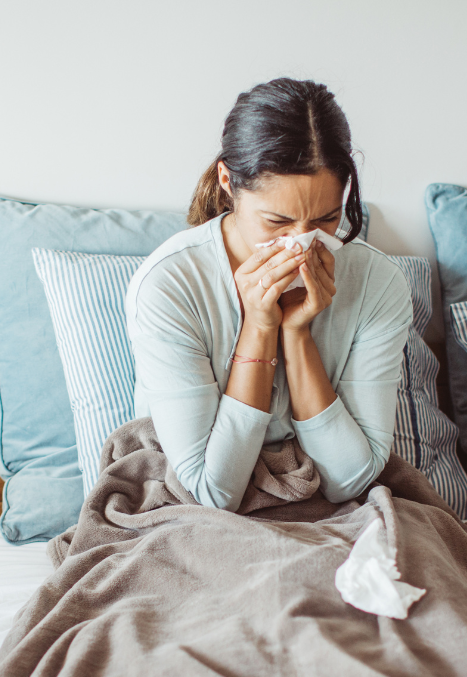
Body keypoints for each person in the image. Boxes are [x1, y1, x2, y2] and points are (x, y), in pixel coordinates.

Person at [125, 78, 411, 512]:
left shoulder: (378, 283)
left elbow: (351, 480)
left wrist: (297, 336)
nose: (302, 242)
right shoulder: (171, 285)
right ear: (227, 180)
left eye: (327, 218)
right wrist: (260, 326)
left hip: (330, 510)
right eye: (277, 221)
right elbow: (212, 493)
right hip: (194, 513)